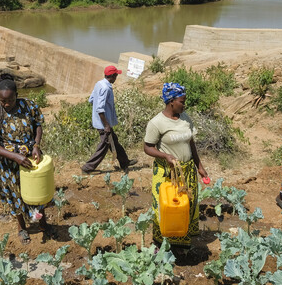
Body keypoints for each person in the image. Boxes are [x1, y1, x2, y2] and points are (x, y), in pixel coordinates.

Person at [0, 73, 56, 244]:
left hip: (31, 159)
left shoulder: (28, 106)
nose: (6, 104)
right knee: (16, 196)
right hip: (9, 165)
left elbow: (37, 124)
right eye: (3, 101)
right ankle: (22, 228)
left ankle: (43, 224)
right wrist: (14, 156)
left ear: (17, 94)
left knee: (38, 191)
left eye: (10, 100)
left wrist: (36, 145)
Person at [144, 83, 209, 248]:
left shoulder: (185, 118)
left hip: (187, 171)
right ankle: (161, 243)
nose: (184, 105)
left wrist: (199, 166)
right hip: (167, 173)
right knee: (167, 208)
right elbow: (147, 147)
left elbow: (191, 143)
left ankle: (182, 243)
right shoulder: (157, 123)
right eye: (182, 101)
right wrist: (165, 155)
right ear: (171, 101)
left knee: (186, 205)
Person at [81, 65, 137, 173]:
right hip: (103, 123)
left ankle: (125, 162)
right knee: (104, 146)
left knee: (114, 142)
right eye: (116, 75)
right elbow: (100, 109)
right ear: (111, 76)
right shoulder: (106, 88)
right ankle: (87, 168)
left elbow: (91, 99)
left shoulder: (99, 84)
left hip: (101, 121)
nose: (116, 77)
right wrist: (106, 124)